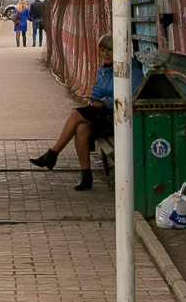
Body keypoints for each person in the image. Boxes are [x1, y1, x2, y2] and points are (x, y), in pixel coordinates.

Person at [30, 34, 144, 190]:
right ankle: (86, 176)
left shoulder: (130, 68)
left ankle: (53, 154)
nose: (105, 54)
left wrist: (108, 102)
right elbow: (95, 93)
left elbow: (135, 96)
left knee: (76, 114)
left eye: (109, 50)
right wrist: (94, 102)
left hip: (122, 117)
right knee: (81, 128)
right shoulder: (102, 71)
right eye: (103, 50)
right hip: (103, 114)